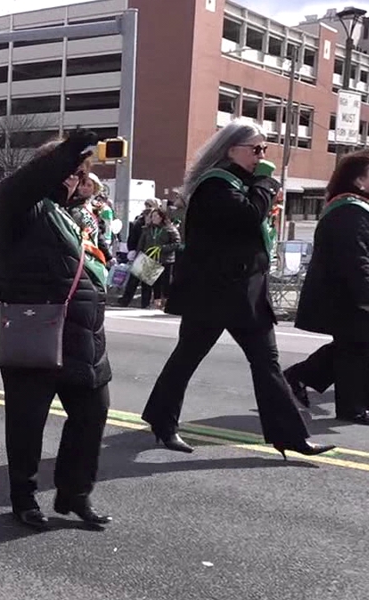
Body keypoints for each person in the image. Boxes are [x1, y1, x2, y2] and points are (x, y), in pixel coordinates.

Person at [141, 120, 333, 459]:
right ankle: (162, 422)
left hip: (245, 292)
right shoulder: (215, 185)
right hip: (214, 292)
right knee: (187, 359)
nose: (262, 156)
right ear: (232, 150)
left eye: (264, 149)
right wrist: (266, 183)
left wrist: (260, 184)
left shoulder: (240, 182)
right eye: (256, 149)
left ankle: (289, 436)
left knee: (267, 363)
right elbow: (246, 216)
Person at [0, 130, 113, 531]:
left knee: (92, 414)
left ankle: (75, 494)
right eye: (69, 172)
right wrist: (69, 151)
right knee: (27, 422)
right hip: (33, 330)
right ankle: (24, 497)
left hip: (83, 335)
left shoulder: (78, 214)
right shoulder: (24, 208)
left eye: (79, 174)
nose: (74, 180)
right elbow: (22, 185)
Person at [286, 150, 369, 426]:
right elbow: (355, 256)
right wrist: (366, 295)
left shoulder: (367, 206)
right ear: (358, 180)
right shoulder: (348, 210)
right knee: (357, 349)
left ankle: (298, 376)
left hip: (365, 290)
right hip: (350, 294)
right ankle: (355, 408)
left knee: (354, 346)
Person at [136, 206, 181, 309]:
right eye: (152, 216)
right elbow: (141, 243)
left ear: (162, 217)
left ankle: (166, 302)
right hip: (150, 258)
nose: (154, 218)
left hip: (165, 259)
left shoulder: (170, 229)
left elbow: (176, 243)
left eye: (156, 216)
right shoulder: (147, 229)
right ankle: (149, 303)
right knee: (149, 282)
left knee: (165, 282)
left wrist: (162, 248)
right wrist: (139, 254)